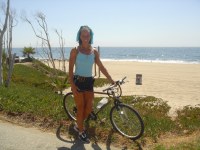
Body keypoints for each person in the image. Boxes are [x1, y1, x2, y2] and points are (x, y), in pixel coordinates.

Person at [68, 25, 115, 143]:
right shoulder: (75, 50)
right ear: (80, 36)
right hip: (78, 82)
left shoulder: (94, 51)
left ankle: (78, 124)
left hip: (89, 82)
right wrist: (72, 85)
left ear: (90, 36)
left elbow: (101, 66)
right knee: (80, 108)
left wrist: (110, 79)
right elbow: (70, 69)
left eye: (87, 35)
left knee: (88, 109)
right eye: (83, 35)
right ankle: (80, 131)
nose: (85, 37)